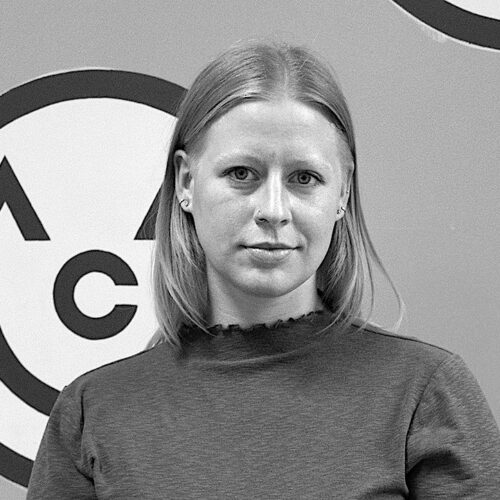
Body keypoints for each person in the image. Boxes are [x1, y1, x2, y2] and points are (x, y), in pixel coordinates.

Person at [27, 39, 500, 499]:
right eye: (241, 174)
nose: (273, 209)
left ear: (342, 193)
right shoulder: (92, 411)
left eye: (304, 178)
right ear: (187, 182)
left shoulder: (426, 393)